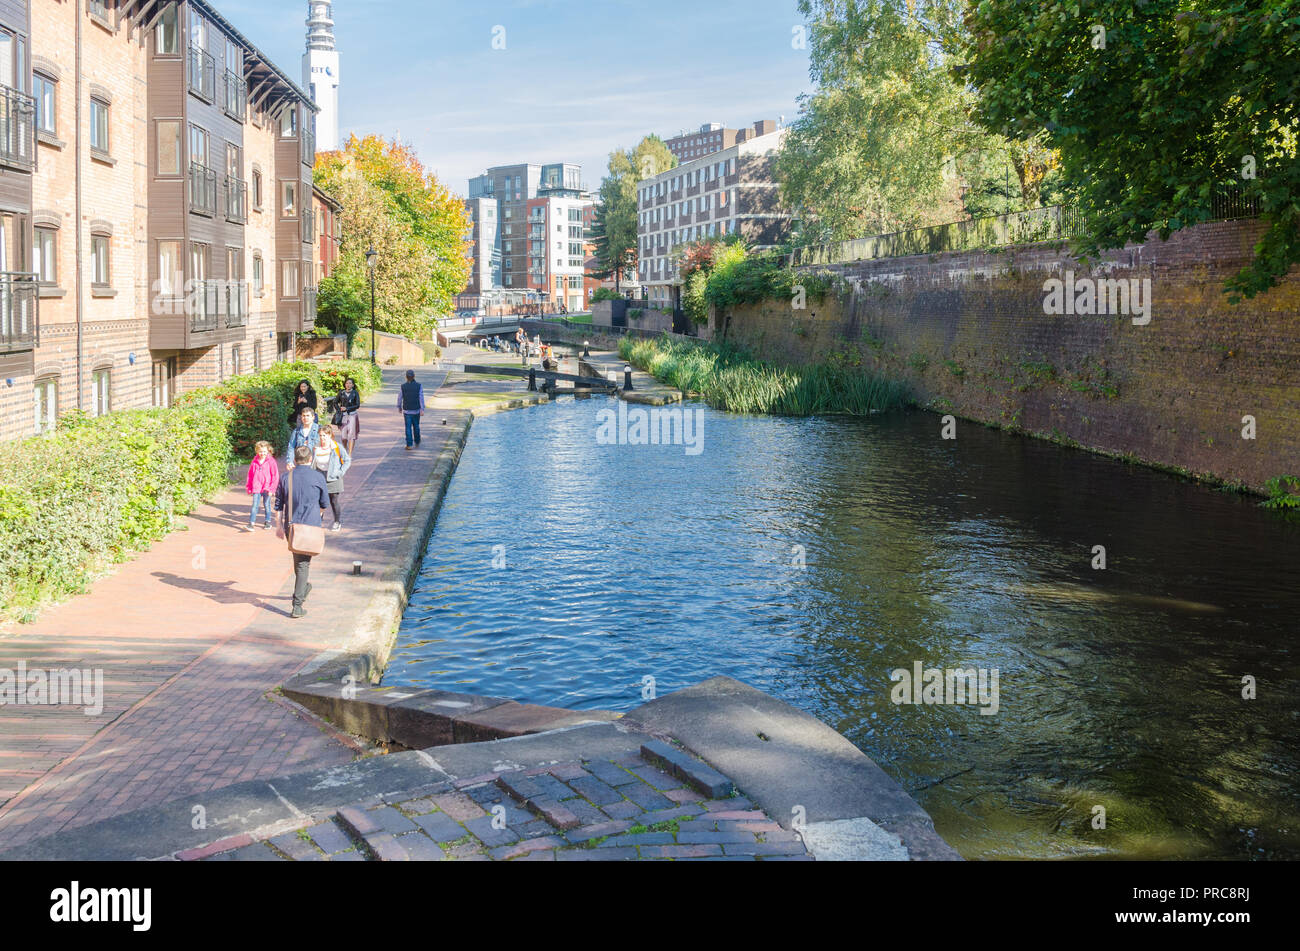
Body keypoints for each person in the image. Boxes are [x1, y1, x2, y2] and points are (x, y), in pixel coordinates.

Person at [275, 445, 329, 619]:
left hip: (291, 527)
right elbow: (324, 503)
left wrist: (278, 526)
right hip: (311, 526)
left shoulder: (286, 477)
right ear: (310, 459)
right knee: (303, 564)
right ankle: (297, 605)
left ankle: (303, 588)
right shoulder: (318, 477)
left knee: (299, 561)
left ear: (295, 460)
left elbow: (278, 504)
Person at [314, 424, 352, 531]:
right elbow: (313, 461)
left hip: (333, 478)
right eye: (320, 436)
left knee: (333, 501)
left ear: (330, 435)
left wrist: (340, 472)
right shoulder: (316, 446)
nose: (322, 438)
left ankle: (337, 521)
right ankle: (318, 520)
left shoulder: (336, 447)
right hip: (319, 477)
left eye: (324, 436)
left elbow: (347, 460)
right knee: (318, 500)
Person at [245, 440, 279, 532]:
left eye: (264, 451)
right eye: (260, 451)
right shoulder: (255, 461)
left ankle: (267, 521)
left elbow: (275, 476)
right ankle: (251, 523)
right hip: (256, 486)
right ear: (257, 451)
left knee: (267, 505)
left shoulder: (271, 461)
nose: (262, 453)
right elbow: (250, 475)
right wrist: (249, 487)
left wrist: (272, 489)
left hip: (267, 488)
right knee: (254, 505)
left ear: (268, 450)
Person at [398, 369, 425, 450]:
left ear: (406, 377)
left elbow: (400, 397)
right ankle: (417, 440)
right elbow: (421, 398)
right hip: (416, 410)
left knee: (408, 427)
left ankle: (409, 444)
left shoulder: (403, 386)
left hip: (407, 410)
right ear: (414, 376)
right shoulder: (419, 386)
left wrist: (399, 407)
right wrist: (422, 409)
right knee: (416, 426)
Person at [335, 376, 361, 456]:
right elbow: (335, 402)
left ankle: (349, 454)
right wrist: (339, 409)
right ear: (345, 384)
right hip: (343, 416)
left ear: (353, 385)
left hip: (352, 415)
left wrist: (347, 408)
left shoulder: (355, 393)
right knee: (343, 435)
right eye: (347, 383)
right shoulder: (341, 392)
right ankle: (345, 449)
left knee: (351, 435)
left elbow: (357, 405)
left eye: (350, 383)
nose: (348, 385)